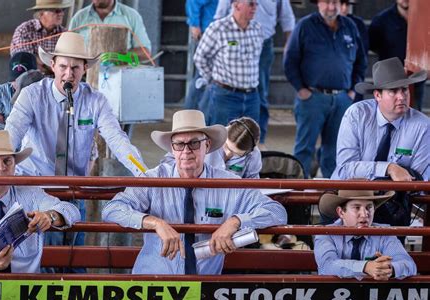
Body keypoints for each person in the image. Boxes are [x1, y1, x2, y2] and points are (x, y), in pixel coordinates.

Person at [102, 110, 287, 274]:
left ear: (207, 146)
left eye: (194, 143)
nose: (186, 151)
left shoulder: (228, 184)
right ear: (171, 149)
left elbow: (277, 211)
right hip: (153, 283)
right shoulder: (154, 178)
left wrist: (235, 222)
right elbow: (112, 209)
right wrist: (155, 223)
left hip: (203, 290)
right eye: (179, 144)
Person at [5, 31, 145, 177]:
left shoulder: (96, 101)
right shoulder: (31, 95)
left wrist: (141, 171)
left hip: (74, 188)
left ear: (85, 68)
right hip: (34, 185)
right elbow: (13, 131)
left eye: (75, 68)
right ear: (52, 65)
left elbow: (117, 139)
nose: (68, 74)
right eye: (63, 67)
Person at [0, 130, 80, 277]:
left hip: (26, 287)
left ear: (15, 164)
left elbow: (71, 210)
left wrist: (50, 216)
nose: (1, 168)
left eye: (7, 161)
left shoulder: (30, 192)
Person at [283, 0, 367, 179]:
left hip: (342, 99)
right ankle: (299, 193)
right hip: (312, 98)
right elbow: (289, 60)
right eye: (327, 2)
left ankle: (333, 191)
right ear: (318, 4)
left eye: (335, 2)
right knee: (304, 148)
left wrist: (352, 90)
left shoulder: (349, 26)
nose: (331, 7)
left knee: (337, 149)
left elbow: (361, 61)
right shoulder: (305, 25)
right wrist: (301, 89)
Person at [332, 57, 430, 181]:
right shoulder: (356, 115)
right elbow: (345, 168)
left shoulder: (423, 126)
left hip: (399, 198)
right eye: (393, 91)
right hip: (354, 195)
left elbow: (416, 180)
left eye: (404, 89)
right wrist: (389, 168)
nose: (401, 97)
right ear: (378, 95)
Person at [214, 0, 295, 147]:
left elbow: (287, 17)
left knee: (260, 93)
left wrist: (289, 43)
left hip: (263, 45)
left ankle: (258, 140)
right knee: (226, 89)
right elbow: (219, 15)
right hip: (234, 40)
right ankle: (224, 140)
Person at [314, 190, 417, 280]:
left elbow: (409, 265)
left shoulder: (384, 232)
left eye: (369, 207)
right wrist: (366, 267)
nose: (364, 214)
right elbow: (327, 265)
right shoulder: (326, 233)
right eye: (357, 207)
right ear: (341, 212)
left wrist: (389, 269)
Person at [194, 0, 264, 126]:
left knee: (249, 141)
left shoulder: (257, 29)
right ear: (237, 5)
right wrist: (214, 80)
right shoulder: (217, 28)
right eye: (251, 4)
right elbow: (200, 57)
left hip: (252, 96)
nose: (255, 8)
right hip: (225, 96)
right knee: (221, 140)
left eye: (256, 4)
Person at [369, 0, 425, 111]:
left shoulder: (425, 18)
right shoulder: (381, 21)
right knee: (387, 118)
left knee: (414, 119)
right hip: (388, 83)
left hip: (415, 80)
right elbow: (372, 46)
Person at [162, 116, 262, 178]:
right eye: (226, 146)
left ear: (249, 151)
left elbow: (253, 184)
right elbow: (167, 162)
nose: (228, 154)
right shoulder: (203, 138)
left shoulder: (253, 155)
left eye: (236, 154)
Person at [69, 0, 151, 60]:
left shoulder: (131, 16)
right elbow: (68, 51)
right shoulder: (79, 18)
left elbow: (145, 52)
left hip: (120, 77)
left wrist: (119, 56)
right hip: (85, 78)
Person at [10, 0, 70, 73]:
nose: (62, 13)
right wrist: (57, 66)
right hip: (31, 82)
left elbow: (69, 63)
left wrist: (40, 61)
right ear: (41, 14)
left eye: (63, 10)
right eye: (57, 11)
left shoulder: (65, 33)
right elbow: (26, 64)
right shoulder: (25, 30)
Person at [0, 52, 38, 131]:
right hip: (4, 142)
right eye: (14, 80)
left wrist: (7, 124)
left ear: (33, 76)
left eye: (22, 80)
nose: (17, 83)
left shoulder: (42, 93)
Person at [183, 0, 219, 115]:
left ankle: (193, 116)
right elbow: (193, 2)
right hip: (209, 34)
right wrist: (194, 24)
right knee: (202, 78)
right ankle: (189, 117)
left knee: (206, 79)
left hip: (217, 34)